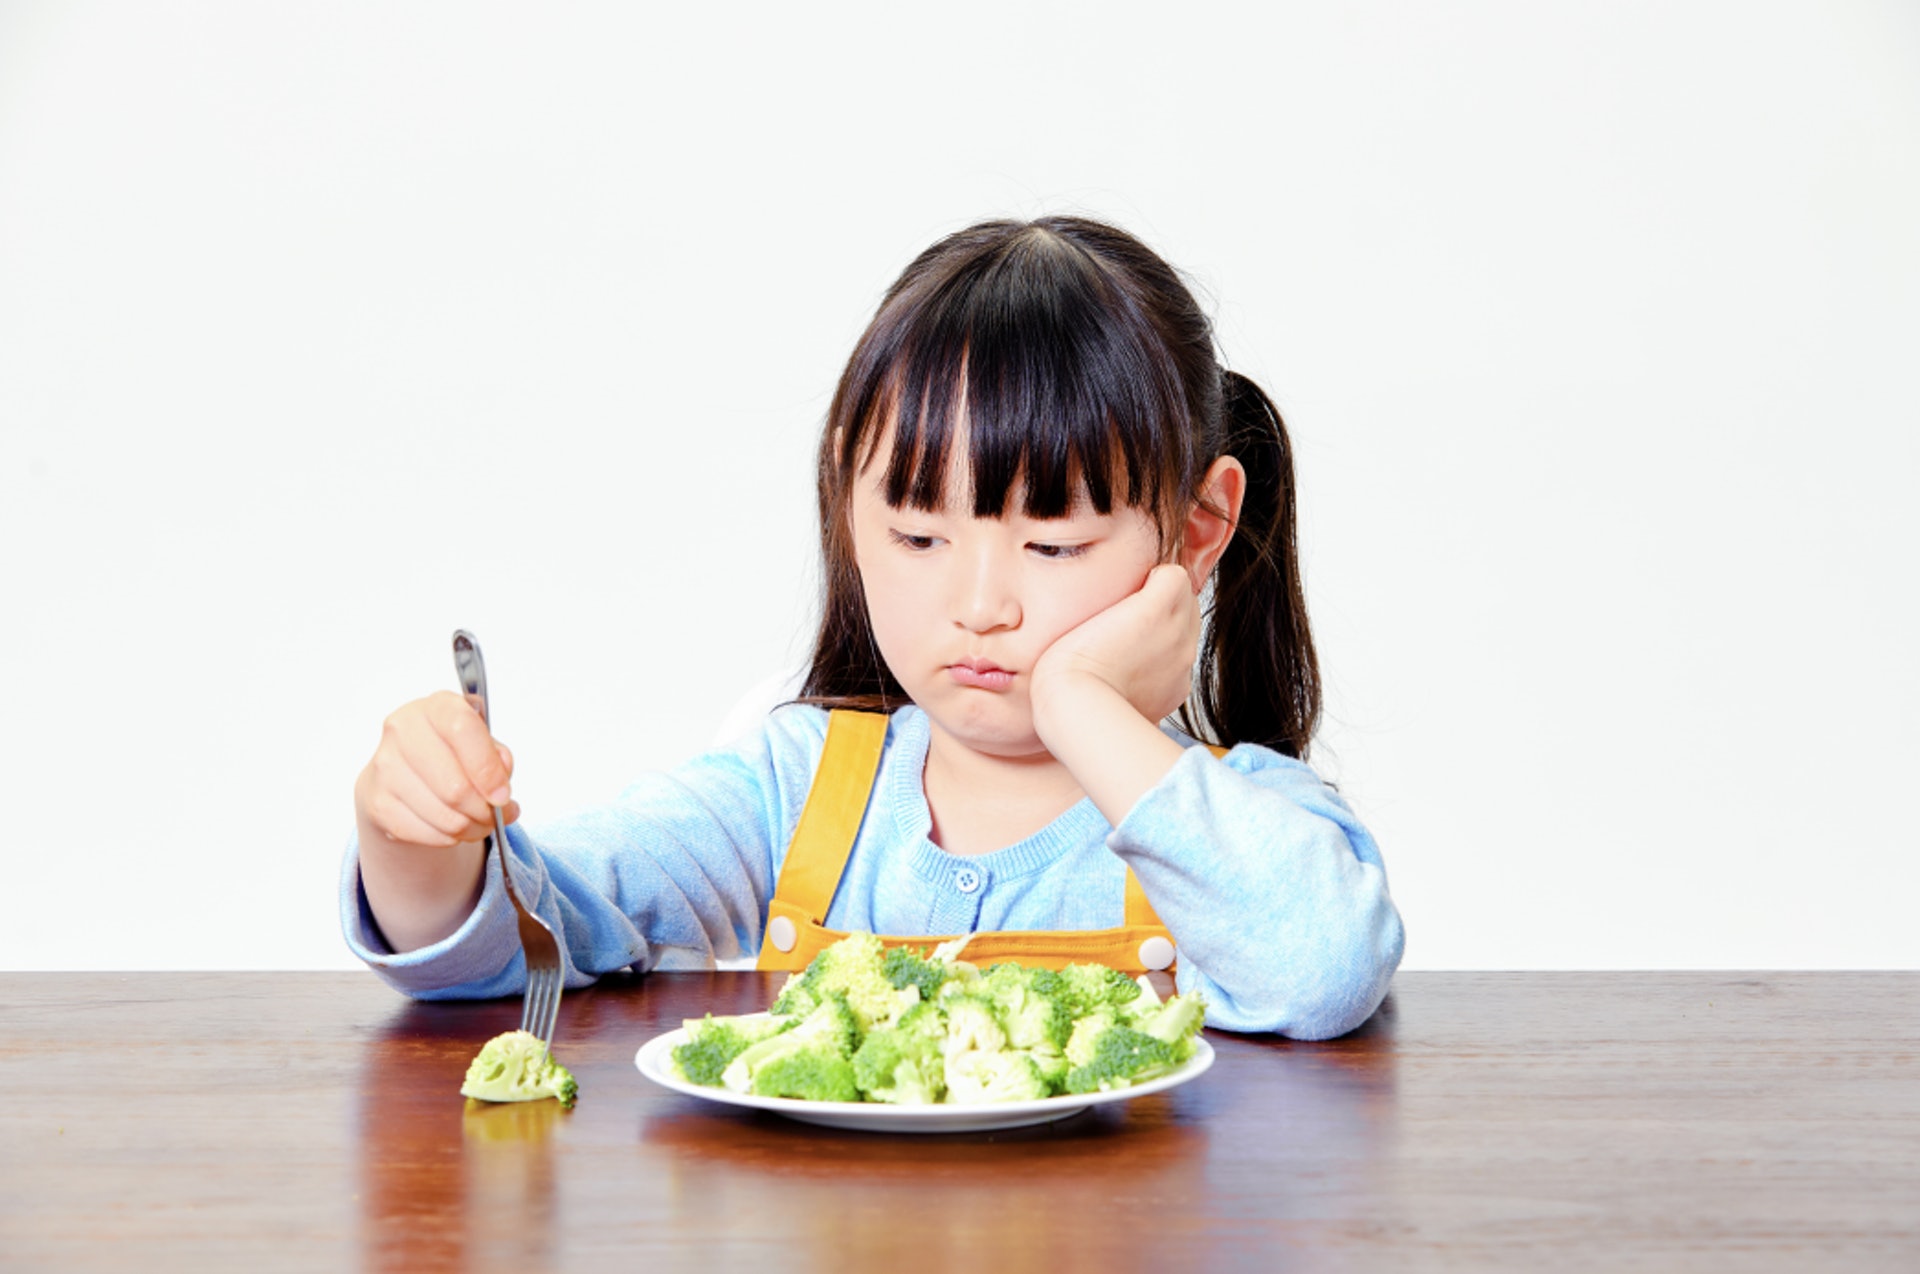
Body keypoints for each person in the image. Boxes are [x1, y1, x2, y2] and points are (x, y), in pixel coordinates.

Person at [342, 216, 1404, 1039]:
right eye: (915, 533)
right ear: (849, 499)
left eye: (1053, 543)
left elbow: (1321, 970)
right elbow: (526, 936)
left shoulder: (1239, 821)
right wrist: (416, 840)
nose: (978, 602)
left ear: (1200, 524)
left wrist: (1082, 704)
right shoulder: (794, 790)